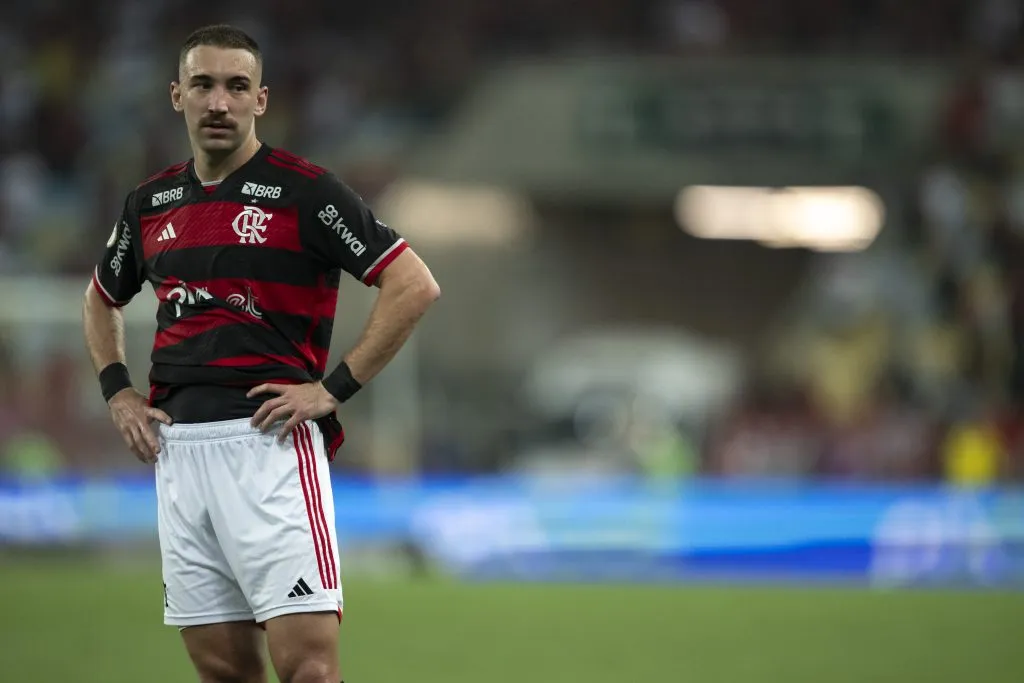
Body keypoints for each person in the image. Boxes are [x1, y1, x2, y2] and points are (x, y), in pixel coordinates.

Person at [81, 24, 440, 683]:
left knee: (307, 668)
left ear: (261, 101)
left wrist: (333, 388)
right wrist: (117, 389)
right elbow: (100, 297)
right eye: (204, 85)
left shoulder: (307, 193)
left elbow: (412, 282)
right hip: (179, 453)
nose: (219, 101)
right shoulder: (151, 202)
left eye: (236, 86)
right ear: (177, 96)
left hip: (269, 446)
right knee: (223, 671)